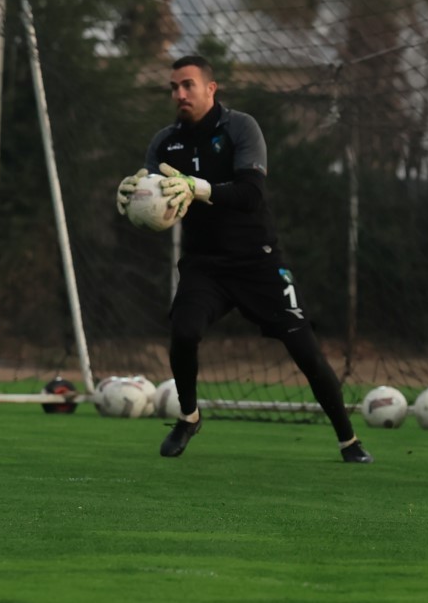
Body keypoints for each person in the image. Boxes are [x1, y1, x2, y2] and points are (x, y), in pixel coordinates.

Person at [116, 54, 372, 463]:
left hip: (259, 262)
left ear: (211, 88)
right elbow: (150, 197)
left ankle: (349, 440)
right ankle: (188, 416)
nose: (179, 93)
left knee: (306, 351)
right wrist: (131, 198)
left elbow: (251, 195)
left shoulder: (240, 127)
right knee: (183, 331)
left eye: (188, 85)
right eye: (174, 87)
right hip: (205, 265)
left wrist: (199, 188)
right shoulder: (165, 142)